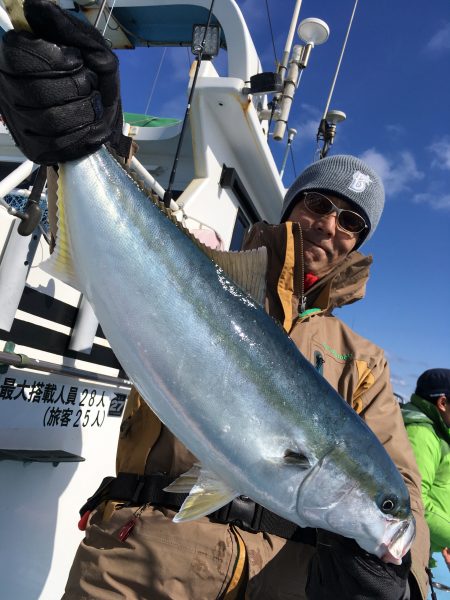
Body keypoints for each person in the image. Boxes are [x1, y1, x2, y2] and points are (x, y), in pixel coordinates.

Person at [0, 1, 430, 598]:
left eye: (351, 221)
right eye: (320, 205)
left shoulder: (364, 362)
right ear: (292, 209)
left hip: (274, 579)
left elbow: (401, 488)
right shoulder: (214, 274)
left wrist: (399, 573)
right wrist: (85, 141)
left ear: (358, 243)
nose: (331, 225)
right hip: (138, 559)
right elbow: (138, 249)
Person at [402, 369, 450, 571]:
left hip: (424, 545)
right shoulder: (421, 435)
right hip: (406, 552)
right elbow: (414, 503)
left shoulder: (437, 432)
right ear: (443, 403)